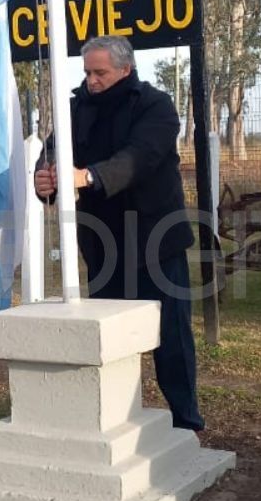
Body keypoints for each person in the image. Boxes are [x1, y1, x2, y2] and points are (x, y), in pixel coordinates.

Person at [34, 35, 204, 432]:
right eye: (87, 72)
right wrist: (46, 179)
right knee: (110, 339)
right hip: (102, 244)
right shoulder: (75, 109)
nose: (91, 80)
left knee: (171, 339)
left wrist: (89, 175)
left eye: (100, 72)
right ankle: (118, 420)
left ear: (125, 69)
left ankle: (186, 420)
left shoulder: (156, 106)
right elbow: (52, 154)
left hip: (155, 242)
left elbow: (138, 158)